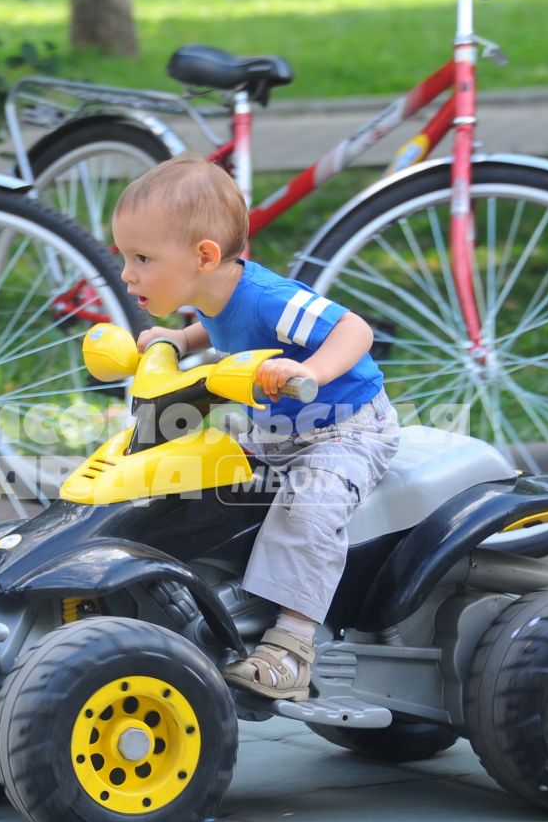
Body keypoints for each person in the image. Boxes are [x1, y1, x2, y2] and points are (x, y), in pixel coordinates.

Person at [112, 155, 401, 700]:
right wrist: (180, 341)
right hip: (276, 429)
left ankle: (292, 648)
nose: (128, 273)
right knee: (197, 470)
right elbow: (219, 328)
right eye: (125, 257)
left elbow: (355, 330)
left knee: (306, 508)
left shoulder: (271, 299)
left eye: (142, 258)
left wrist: (309, 371)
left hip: (345, 428)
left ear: (204, 256)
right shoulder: (214, 292)